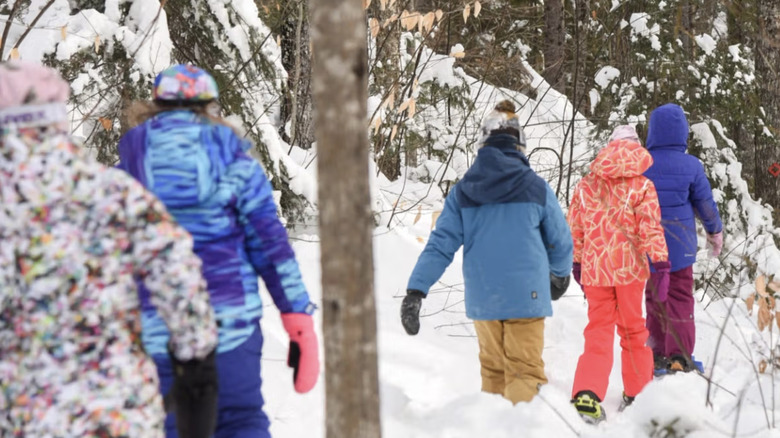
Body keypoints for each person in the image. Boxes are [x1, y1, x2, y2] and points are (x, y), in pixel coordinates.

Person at [0, 61, 219, 437]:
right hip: (121, 411)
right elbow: (180, 280)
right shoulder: (115, 193)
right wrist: (195, 364)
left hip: (24, 415)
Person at [117, 64, 319, 438]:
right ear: (212, 109)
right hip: (230, 323)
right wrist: (298, 320)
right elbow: (271, 248)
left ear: (155, 107)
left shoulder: (124, 174)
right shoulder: (239, 167)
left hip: (154, 328)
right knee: (240, 419)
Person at [401, 100, 573, 405]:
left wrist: (417, 290)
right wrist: (559, 276)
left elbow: (441, 245)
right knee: (525, 374)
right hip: (527, 295)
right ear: (519, 144)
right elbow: (560, 241)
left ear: (484, 142)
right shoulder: (535, 187)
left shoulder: (464, 191)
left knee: (493, 373)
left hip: (485, 296)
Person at [568, 125, 670, 423]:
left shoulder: (587, 183)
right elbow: (650, 228)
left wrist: (577, 261)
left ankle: (587, 391)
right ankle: (637, 392)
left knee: (598, 328)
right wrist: (660, 264)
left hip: (596, 267)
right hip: (630, 270)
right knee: (633, 330)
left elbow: (575, 226)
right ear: (637, 149)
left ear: (609, 148)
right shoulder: (642, 186)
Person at [643, 103, 723, 373]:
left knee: (654, 297)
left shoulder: (641, 162)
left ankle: (654, 352)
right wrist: (715, 231)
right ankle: (679, 356)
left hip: (647, 249)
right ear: (682, 134)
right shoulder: (691, 165)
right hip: (680, 249)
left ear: (653, 132)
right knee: (679, 296)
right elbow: (705, 204)